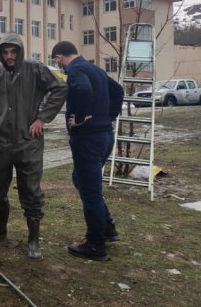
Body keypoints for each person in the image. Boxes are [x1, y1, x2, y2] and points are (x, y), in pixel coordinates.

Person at [0, 33, 67, 259]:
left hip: (29, 142)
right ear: (0, 53)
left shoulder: (35, 70)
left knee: (31, 193)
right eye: (5, 52)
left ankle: (33, 239)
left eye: (13, 51)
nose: (9, 56)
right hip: (1, 143)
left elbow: (60, 88)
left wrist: (42, 118)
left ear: (20, 51)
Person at [52, 41, 124, 261]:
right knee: (80, 179)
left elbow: (83, 91)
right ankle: (107, 228)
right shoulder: (94, 69)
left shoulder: (75, 71)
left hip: (88, 139)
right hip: (105, 136)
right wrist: (110, 116)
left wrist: (79, 119)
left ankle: (95, 244)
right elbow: (118, 91)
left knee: (90, 191)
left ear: (58, 58)